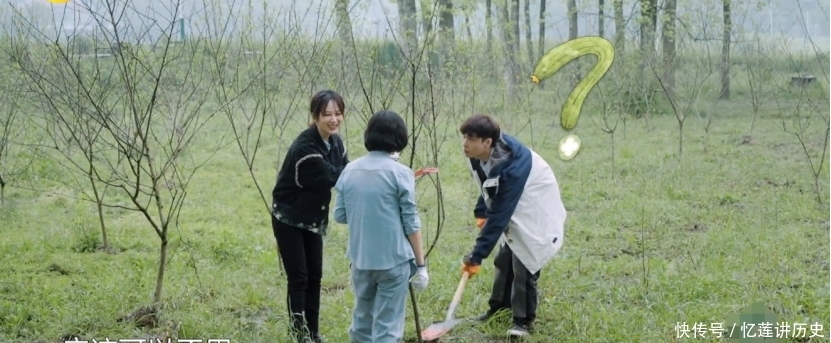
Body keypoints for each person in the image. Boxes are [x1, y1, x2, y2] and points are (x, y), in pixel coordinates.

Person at [457, 114, 567, 337]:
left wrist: (476, 255)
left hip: (536, 203)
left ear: (487, 142)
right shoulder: (477, 154)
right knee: (504, 258)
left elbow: (499, 215)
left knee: (524, 260)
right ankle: (499, 309)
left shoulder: (511, 169)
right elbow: (487, 184)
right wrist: (481, 211)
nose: (465, 143)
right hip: (515, 197)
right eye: (464, 137)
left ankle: (522, 322)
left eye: (471, 138)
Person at [333, 110, 429, 343]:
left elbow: (340, 215)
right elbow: (411, 222)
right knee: (388, 328)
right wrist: (421, 266)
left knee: (362, 322)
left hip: (360, 260)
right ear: (400, 138)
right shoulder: (401, 173)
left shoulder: (349, 170)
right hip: (394, 261)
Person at [271, 90, 350, 343]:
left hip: (313, 218)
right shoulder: (306, 149)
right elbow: (336, 176)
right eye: (327, 114)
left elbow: (347, 170)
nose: (334, 119)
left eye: (338, 113)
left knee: (315, 277)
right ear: (315, 115)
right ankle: (299, 335)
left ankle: (313, 333)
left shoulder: (336, 143)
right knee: (299, 278)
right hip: (289, 218)